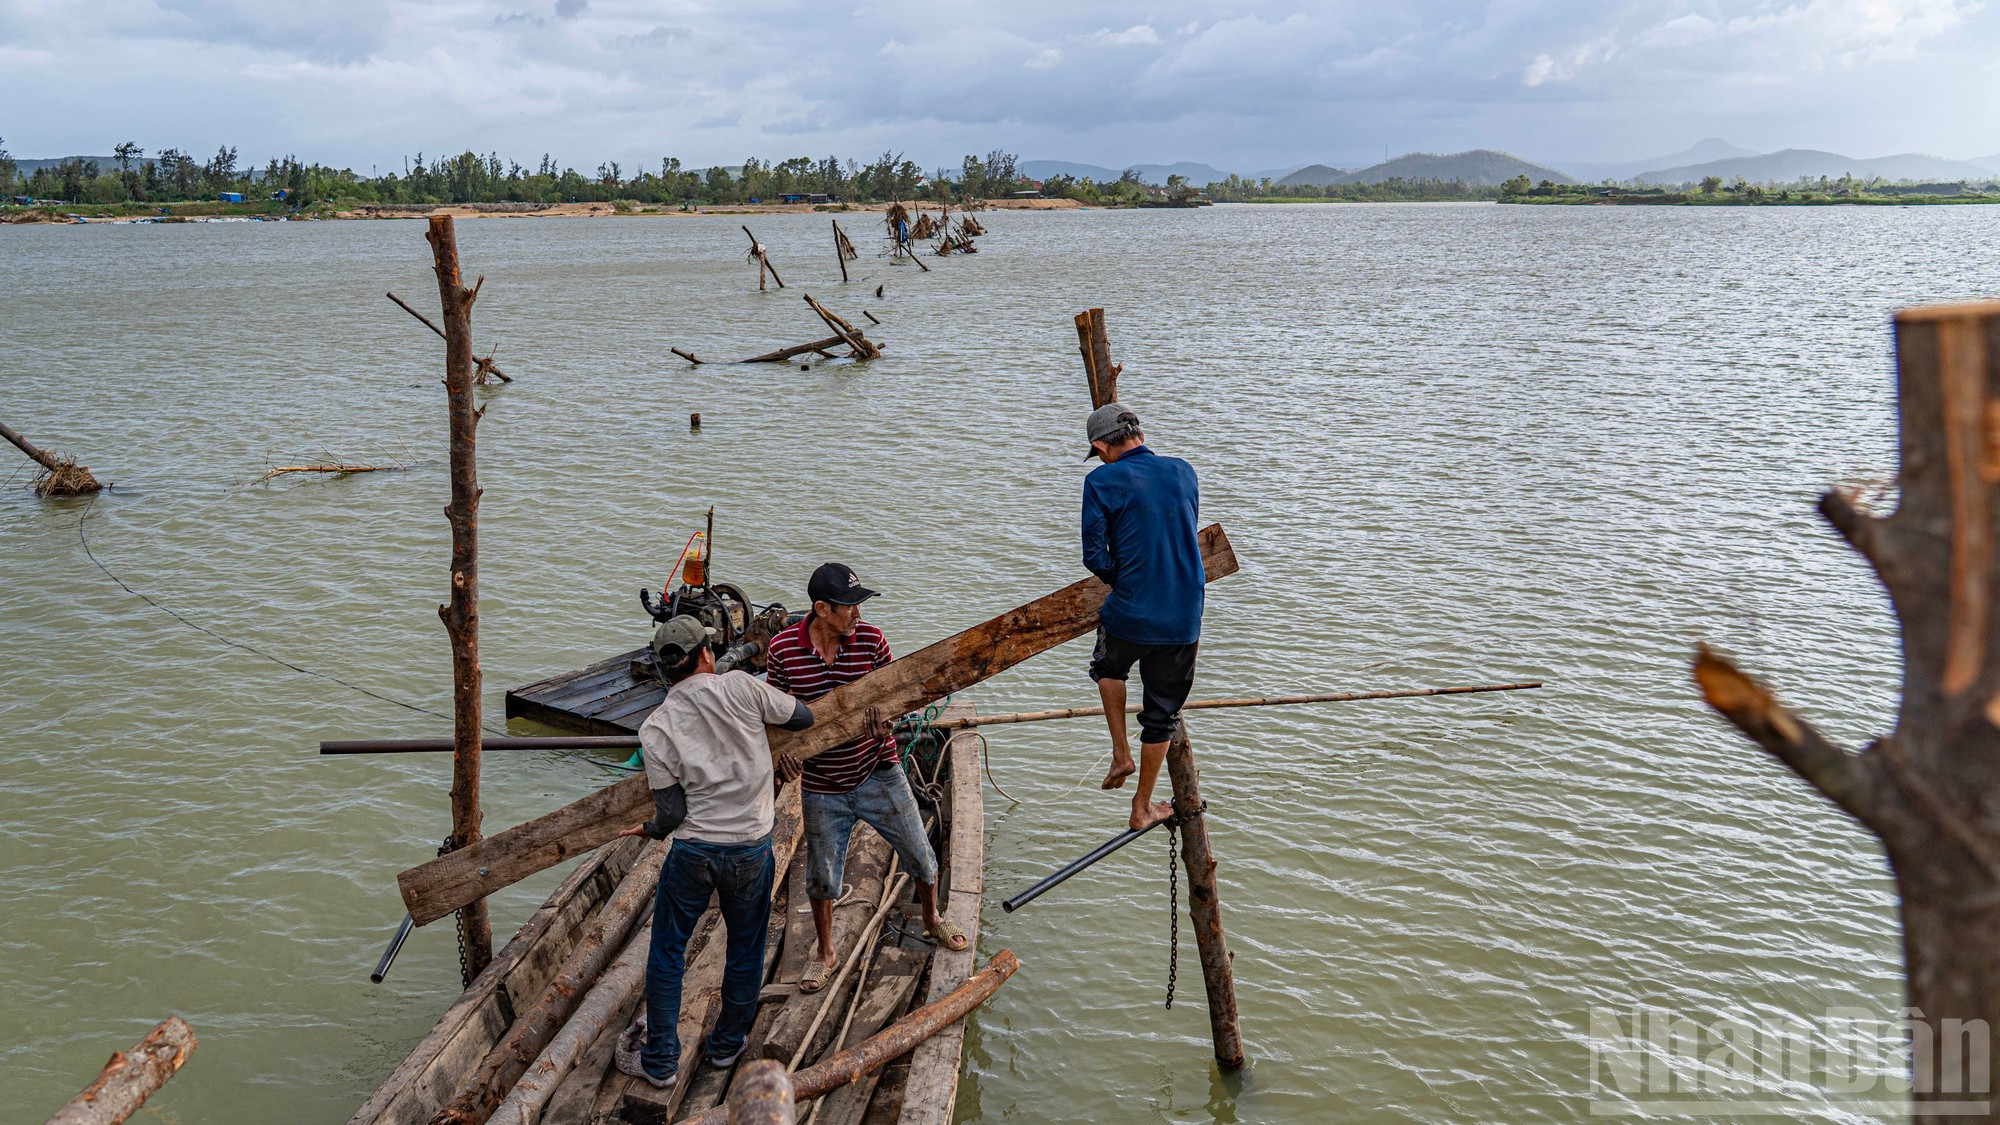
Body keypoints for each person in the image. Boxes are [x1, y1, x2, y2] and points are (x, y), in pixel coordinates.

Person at [612, 614, 815, 1089]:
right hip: (750, 847)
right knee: (746, 948)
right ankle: (726, 1046)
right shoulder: (742, 687)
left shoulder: (656, 726)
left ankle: (660, 1060)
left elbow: (670, 813)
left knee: (667, 951)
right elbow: (803, 716)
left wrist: (646, 829)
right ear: (707, 654)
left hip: (694, 853)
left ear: (666, 672)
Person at [764, 562, 968, 994]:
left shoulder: (873, 641)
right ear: (821, 609)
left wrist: (887, 722)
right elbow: (774, 718)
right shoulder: (782, 650)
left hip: (879, 770)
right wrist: (784, 760)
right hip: (822, 783)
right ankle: (826, 953)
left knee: (919, 852)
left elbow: (896, 700)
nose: (858, 614)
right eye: (849, 607)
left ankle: (932, 919)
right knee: (821, 876)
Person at [1080, 401, 1205, 832]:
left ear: (1101, 446)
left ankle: (1120, 752)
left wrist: (1127, 579)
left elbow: (1093, 555)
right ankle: (1143, 806)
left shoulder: (1100, 480)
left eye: (1097, 452)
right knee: (1162, 714)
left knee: (1108, 666)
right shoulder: (1184, 470)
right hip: (1184, 615)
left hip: (1131, 612)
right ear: (1141, 435)